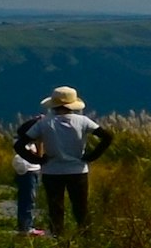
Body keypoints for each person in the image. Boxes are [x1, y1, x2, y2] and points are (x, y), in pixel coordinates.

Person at [17, 86, 105, 235]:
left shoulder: (44, 123)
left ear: (53, 104)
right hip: (78, 170)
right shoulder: (83, 121)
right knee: (81, 208)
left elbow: (19, 144)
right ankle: (87, 239)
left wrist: (37, 160)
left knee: (55, 208)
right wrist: (92, 156)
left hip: (52, 171)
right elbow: (107, 137)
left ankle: (58, 238)